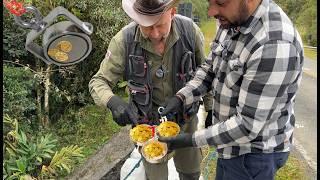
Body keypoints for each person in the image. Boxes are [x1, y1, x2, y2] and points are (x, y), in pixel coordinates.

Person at [158, 0, 304, 179]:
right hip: (228, 144)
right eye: (210, 2)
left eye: (220, 3)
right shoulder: (232, 20)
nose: (212, 12)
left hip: (252, 156)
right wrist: (181, 97)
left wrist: (190, 140)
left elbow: (247, 126)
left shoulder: (273, 44)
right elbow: (210, 69)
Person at [88, 0, 213, 179]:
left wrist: (210, 107)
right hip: (148, 127)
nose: (154, 34)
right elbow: (98, 81)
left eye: (160, 26)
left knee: (191, 173)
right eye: (147, 27)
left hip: (186, 120)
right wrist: (112, 102)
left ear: (172, 13)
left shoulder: (190, 32)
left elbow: (206, 72)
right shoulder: (124, 40)